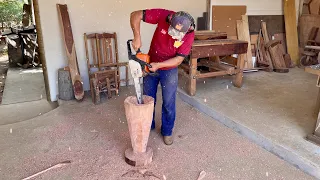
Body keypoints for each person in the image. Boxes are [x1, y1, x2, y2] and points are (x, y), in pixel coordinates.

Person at [130, 8, 195, 145]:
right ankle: (148, 125)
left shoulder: (189, 33)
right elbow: (135, 15)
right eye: (173, 30)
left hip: (169, 69)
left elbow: (178, 60)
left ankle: (167, 131)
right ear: (170, 20)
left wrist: (159, 65)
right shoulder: (163, 15)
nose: (174, 35)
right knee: (148, 99)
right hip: (151, 62)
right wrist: (137, 36)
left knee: (168, 102)